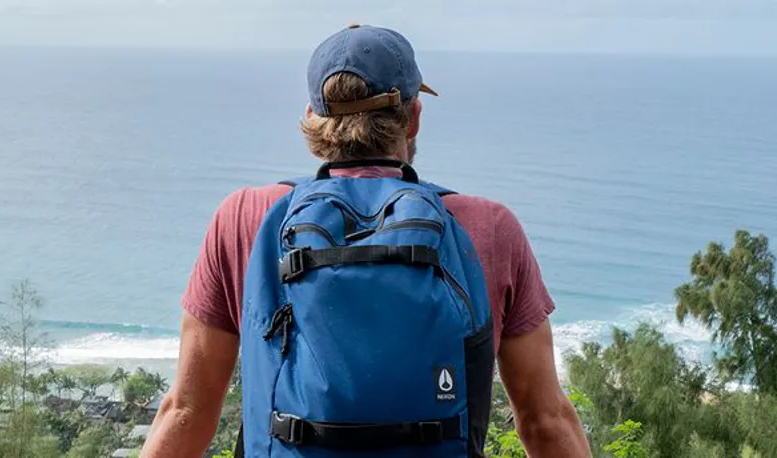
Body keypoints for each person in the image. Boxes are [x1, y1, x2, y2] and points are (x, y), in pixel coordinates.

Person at [140, 24, 590, 458]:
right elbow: (544, 421)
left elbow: (187, 412)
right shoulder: (488, 226)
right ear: (413, 118)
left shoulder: (244, 217)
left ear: (312, 119)